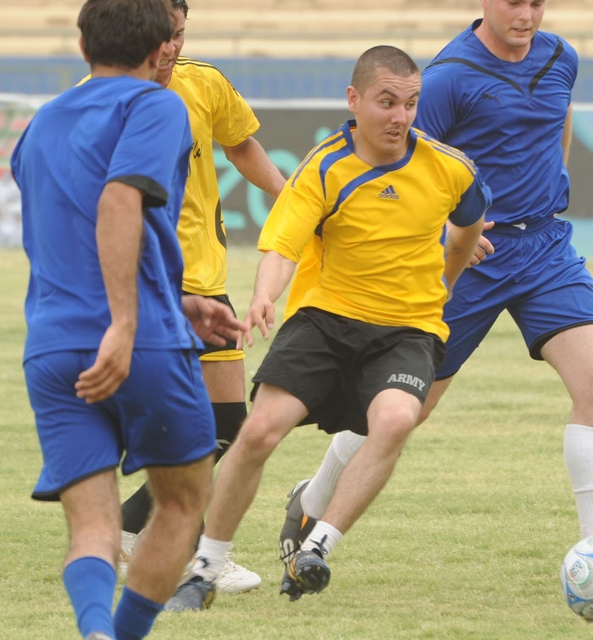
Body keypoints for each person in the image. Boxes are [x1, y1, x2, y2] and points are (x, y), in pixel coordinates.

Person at [277, 0, 593, 585]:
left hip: (545, 249)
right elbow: (396, 161)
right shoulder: (447, 78)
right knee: (405, 407)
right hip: (467, 259)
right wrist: (444, 234)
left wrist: (555, 180)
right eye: (514, 2)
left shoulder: (561, 56)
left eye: (537, 3)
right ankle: (311, 500)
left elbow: (559, 117)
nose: (526, 14)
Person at [164, 44, 491, 610]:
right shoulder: (322, 167)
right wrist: (264, 296)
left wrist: (446, 278)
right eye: (387, 102)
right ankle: (205, 569)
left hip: (407, 329)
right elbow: (282, 247)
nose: (400, 116)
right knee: (259, 431)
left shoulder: (450, 168)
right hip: (325, 322)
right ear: (354, 99)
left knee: (396, 420)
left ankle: (315, 546)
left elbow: (469, 227)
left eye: (410, 103)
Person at [11, 0, 246, 640]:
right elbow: (119, 201)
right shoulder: (156, 105)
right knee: (183, 500)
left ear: (83, 44)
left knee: (92, 525)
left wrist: (177, 297)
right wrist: (127, 319)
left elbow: (65, 231)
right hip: (138, 340)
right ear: (159, 49)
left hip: (53, 346)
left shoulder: (42, 121)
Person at [113, 0, 287, 602]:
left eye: (180, 33)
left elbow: (242, 147)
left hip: (206, 281)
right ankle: (185, 549)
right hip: (149, 280)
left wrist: (295, 202)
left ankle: (134, 528)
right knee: (189, 424)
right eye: (162, 34)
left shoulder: (204, 84)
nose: (172, 46)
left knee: (228, 425)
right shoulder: (103, 97)